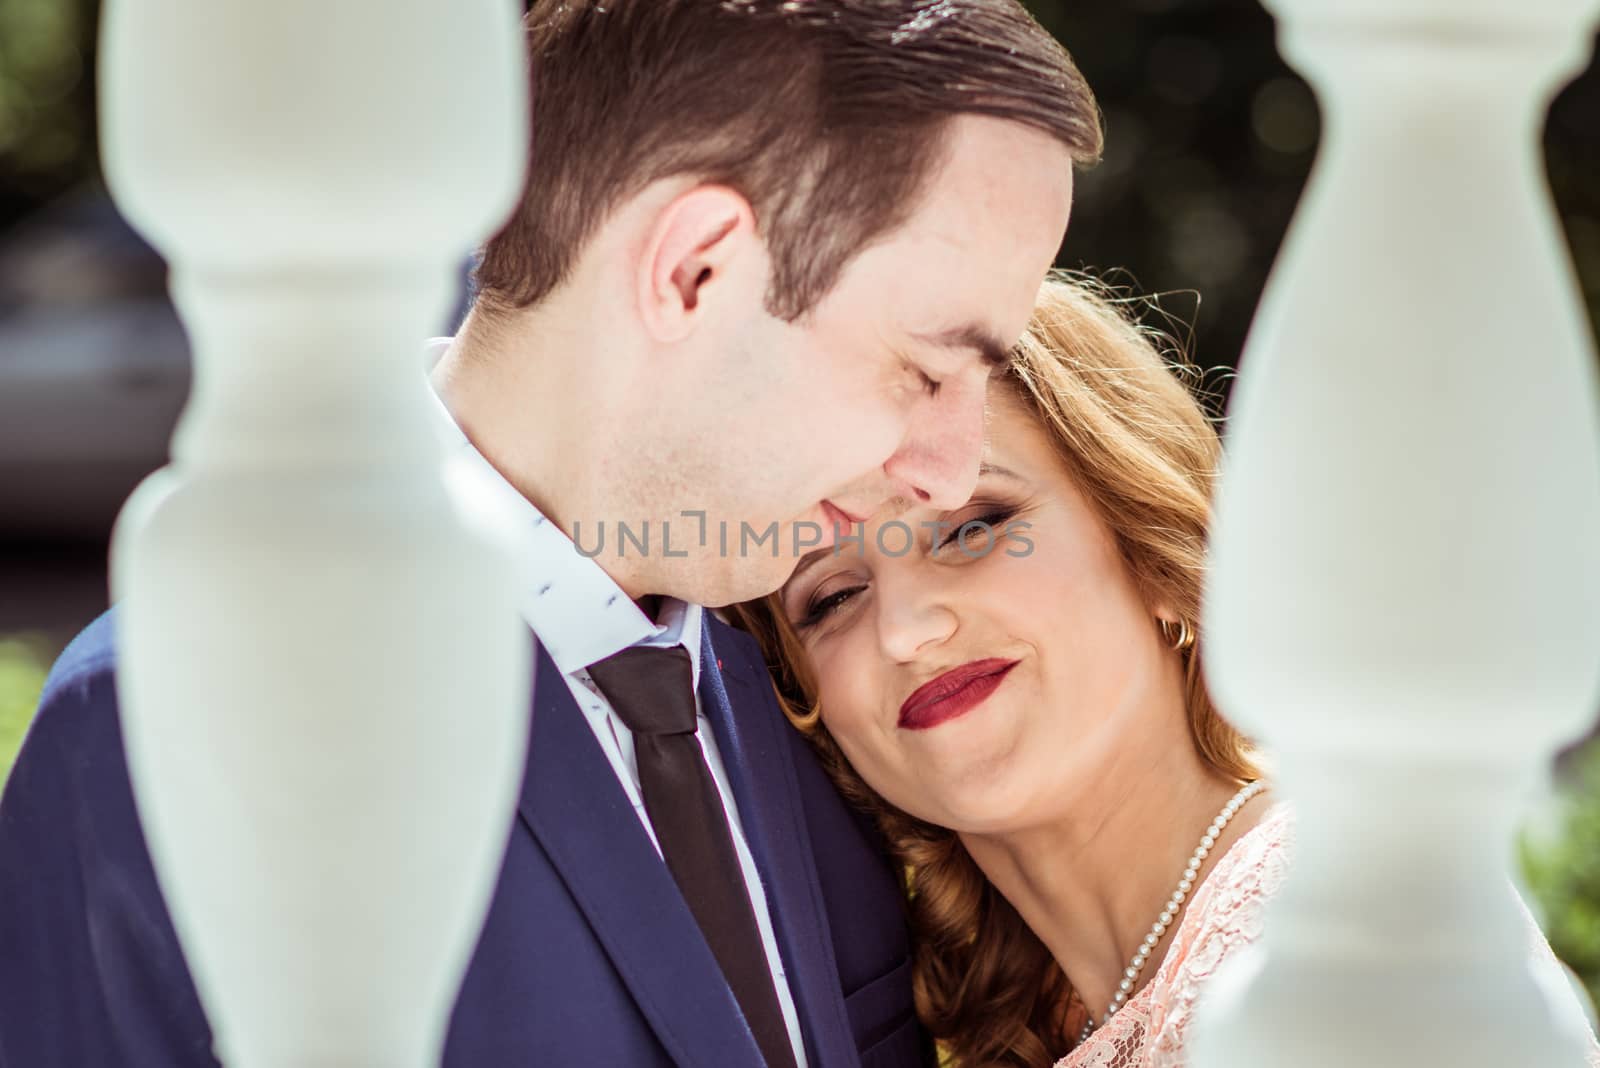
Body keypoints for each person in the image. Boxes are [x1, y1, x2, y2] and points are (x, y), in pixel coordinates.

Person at [0, 3, 1102, 1066]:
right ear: (695, 270)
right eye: (925, 368)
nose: (949, 469)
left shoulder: (802, 679)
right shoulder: (177, 713)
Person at [731, 275, 1600, 1068]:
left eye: (974, 526)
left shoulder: (1369, 952)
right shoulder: (980, 1019)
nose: (906, 631)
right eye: (833, 596)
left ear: (1143, 545)